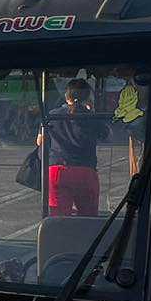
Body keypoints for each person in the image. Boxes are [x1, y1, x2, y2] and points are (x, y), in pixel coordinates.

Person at [38, 77, 106, 215]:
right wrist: (90, 111)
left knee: (58, 219)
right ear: (87, 97)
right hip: (86, 171)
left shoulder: (52, 115)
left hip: (58, 169)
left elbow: (40, 141)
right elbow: (105, 134)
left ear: (66, 95)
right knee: (88, 219)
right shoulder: (91, 117)